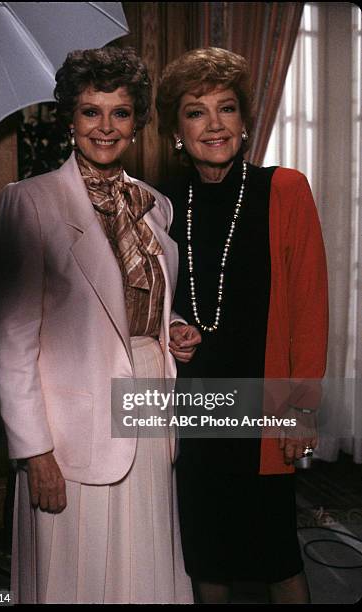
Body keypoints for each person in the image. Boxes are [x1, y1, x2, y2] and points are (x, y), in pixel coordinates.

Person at [0, 46, 201, 604]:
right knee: (74, 578)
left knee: (144, 569)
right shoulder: (29, 202)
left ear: (138, 122)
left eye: (121, 112)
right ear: (69, 119)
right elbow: (12, 343)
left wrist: (172, 324)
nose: (105, 128)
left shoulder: (156, 206)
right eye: (91, 112)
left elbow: (135, 298)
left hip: (150, 410)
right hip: (71, 431)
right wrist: (35, 451)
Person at [156, 47, 328, 604]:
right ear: (176, 129)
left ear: (245, 122)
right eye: (196, 111)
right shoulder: (159, 202)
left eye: (226, 108)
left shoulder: (285, 189)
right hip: (195, 401)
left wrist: (302, 404)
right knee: (207, 555)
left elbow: (310, 304)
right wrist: (174, 324)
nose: (214, 124)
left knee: (277, 556)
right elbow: (148, 297)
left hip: (264, 404)